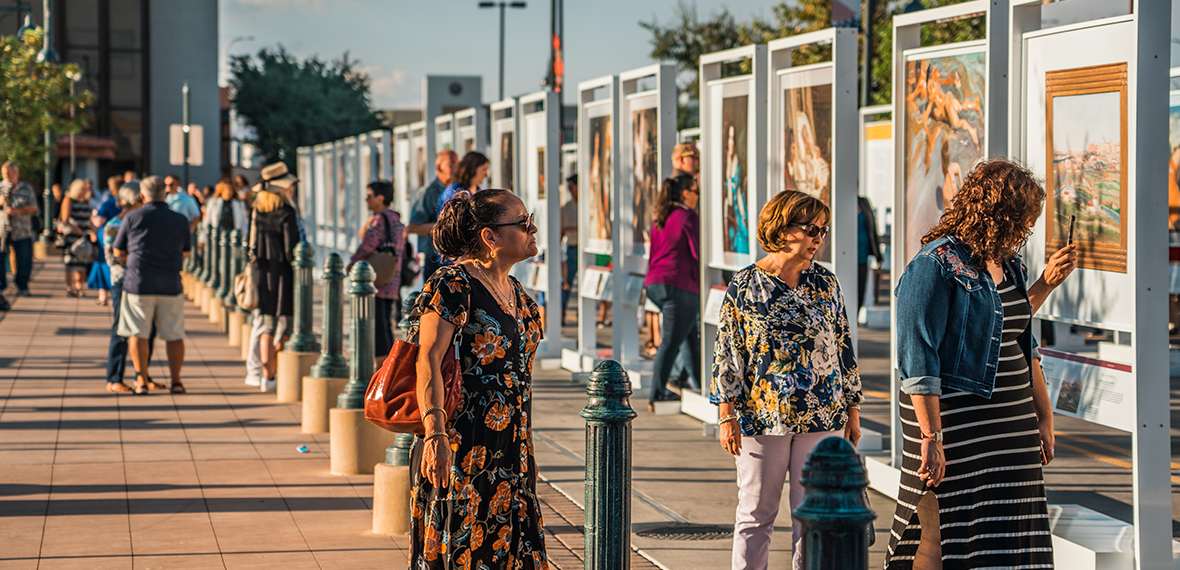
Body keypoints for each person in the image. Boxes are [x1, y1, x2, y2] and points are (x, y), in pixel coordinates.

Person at [886, 160, 1077, 570]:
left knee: (1006, 537)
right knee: (940, 534)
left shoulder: (1008, 263)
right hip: (955, 426)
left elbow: (1020, 337)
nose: (1026, 230)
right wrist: (931, 437)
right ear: (1000, 214)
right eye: (1024, 221)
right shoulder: (934, 264)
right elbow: (918, 360)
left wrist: (1043, 416)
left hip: (1010, 430)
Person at [711, 190, 861, 570]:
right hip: (764, 417)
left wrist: (853, 410)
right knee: (756, 513)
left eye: (823, 231)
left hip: (824, 416)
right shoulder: (745, 286)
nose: (818, 239)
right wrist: (726, 416)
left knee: (812, 519)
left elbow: (842, 345)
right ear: (782, 228)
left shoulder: (825, 283)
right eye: (812, 229)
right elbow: (729, 352)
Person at [407, 188, 549, 568]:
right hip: (459, 445)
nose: (533, 228)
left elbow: (521, 381)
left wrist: (526, 448)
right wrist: (435, 435)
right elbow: (429, 361)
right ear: (490, 237)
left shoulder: (520, 296)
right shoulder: (452, 284)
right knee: (461, 549)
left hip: (510, 450)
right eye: (522, 223)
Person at [111, 176, 191, 395]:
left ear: (142, 195)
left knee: (138, 333)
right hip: (170, 282)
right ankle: (176, 381)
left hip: (138, 282)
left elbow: (118, 250)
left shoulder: (132, 217)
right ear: (165, 194)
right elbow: (186, 251)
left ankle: (142, 381)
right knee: (174, 334)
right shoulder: (180, 219)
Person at [644, 174, 701, 410]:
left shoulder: (662, 216)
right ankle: (656, 394)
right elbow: (699, 252)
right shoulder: (688, 216)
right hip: (678, 284)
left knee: (689, 338)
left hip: (655, 283)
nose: (698, 197)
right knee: (670, 341)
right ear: (685, 193)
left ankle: (700, 387)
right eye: (696, 191)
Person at [250, 163, 301, 390]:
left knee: (267, 326)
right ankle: (275, 367)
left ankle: (267, 375)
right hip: (283, 275)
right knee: (287, 326)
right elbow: (292, 250)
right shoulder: (287, 213)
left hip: (263, 273)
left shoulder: (258, 211)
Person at [103, 182, 155, 393]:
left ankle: (142, 375)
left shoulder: (145, 222)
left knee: (147, 331)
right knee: (121, 330)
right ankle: (114, 377)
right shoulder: (113, 225)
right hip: (122, 281)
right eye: (139, 201)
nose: (142, 205)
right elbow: (112, 259)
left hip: (144, 280)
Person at [349, 180, 405, 368]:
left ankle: (383, 369)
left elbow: (367, 245)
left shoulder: (381, 220)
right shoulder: (395, 218)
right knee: (385, 325)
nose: (367, 200)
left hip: (376, 280)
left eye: (369, 196)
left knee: (378, 327)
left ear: (380, 198)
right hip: (391, 278)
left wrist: (352, 264)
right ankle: (391, 366)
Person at [407, 149, 458, 282]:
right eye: (451, 164)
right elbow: (413, 227)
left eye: (458, 164)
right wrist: (446, 226)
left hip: (455, 258)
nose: (456, 168)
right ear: (438, 166)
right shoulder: (429, 192)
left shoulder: (457, 190)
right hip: (434, 258)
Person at [0, 161, 40, 307]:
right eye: (4, 173)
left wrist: (18, 211)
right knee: (0, 258)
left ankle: (22, 285)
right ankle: (1, 287)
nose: (6, 176)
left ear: (16, 173)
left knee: (24, 259)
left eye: (9, 173)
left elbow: (34, 207)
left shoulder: (26, 187)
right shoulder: (0, 187)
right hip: (2, 230)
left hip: (22, 229)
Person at [60, 179, 94, 297]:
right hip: (72, 235)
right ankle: (70, 288)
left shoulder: (86, 201)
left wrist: (93, 231)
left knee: (82, 262)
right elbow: (65, 218)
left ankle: (80, 287)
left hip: (84, 235)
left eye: (86, 189)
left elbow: (89, 218)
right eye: (83, 189)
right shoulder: (69, 200)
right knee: (70, 262)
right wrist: (74, 227)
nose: (85, 191)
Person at [199, 180, 248, 253]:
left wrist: (245, 238)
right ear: (221, 190)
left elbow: (244, 222)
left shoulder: (239, 203)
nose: (228, 191)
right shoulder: (213, 202)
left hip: (233, 238)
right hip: (217, 237)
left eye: (230, 189)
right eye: (225, 189)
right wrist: (201, 239)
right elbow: (206, 220)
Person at [856, 195, 883, 312]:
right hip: (845, 259)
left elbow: (873, 229)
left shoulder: (864, 202)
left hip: (862, 257)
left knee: (860, 293)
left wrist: (878, 255)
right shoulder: (840, 202)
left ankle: (854, 321)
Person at [559, 174, 578, 323]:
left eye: (572, 187)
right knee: (566, 283)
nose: (570, 191)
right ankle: (561, 313)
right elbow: (561, 230)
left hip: (585, 251)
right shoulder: (566, 208)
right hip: (571, 249)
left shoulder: (589, 206)